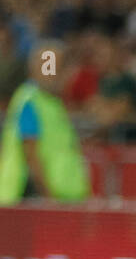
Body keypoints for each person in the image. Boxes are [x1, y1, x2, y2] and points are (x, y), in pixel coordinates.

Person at [0, 42, 90, 204]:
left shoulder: (53, 103)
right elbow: (30, 154)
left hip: (62, 198)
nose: (53, 73)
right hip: (32, 200)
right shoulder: (30, 101)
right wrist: (48, 197)